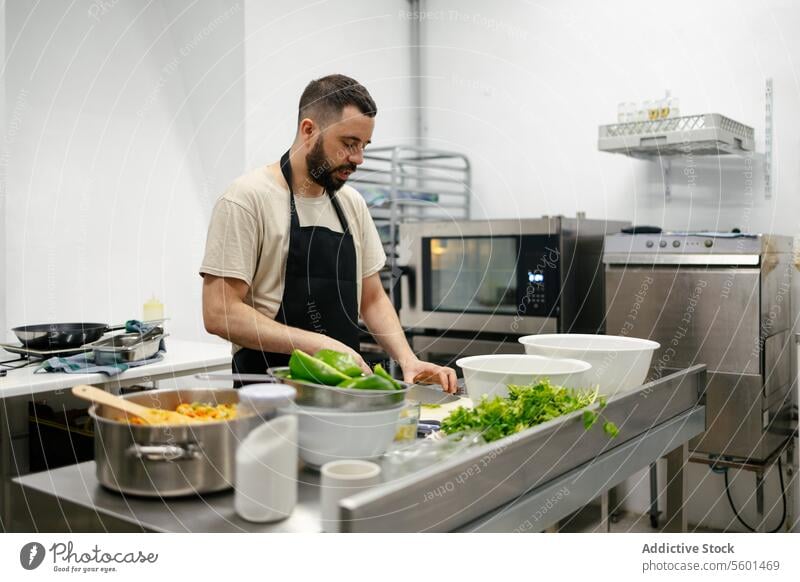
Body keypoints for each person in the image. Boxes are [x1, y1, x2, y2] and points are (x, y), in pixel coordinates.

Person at [200, 74, 457, 393]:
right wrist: (317, 345)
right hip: (267, 399)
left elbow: (373, 298)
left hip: (345, 399)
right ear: (309, 130)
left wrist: (408, 359)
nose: (359, 158)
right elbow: (219, 312)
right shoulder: (247, 199)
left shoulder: (352, 204)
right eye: (349, 144)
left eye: (364, 146)